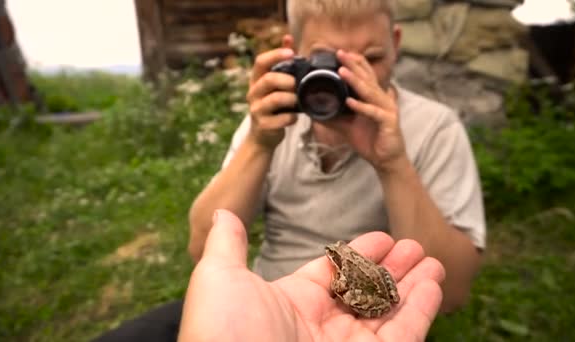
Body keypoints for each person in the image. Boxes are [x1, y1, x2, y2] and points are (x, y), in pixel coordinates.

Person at [93, 0, 486, 340]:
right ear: (293, 53)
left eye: (371, 59)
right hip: (255, 305)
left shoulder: (435, 127)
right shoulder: (274, 118)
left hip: (357, 328)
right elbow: (202, 247)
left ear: (396, 45)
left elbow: (450, 293)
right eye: (329, 61)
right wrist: (259, 143)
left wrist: (392, 162)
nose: (345, 80)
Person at [178, 209, 445, 341]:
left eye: (333, 253)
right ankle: (387, 297)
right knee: (384, 272)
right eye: (333, 252)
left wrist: (341, 287)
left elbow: (340, 286)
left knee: (349, 292)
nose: (330, 253)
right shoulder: (353, 258)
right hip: (381, 284)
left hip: (369, 289)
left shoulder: (340, 271)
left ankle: (379, 303)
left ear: (338, 257)